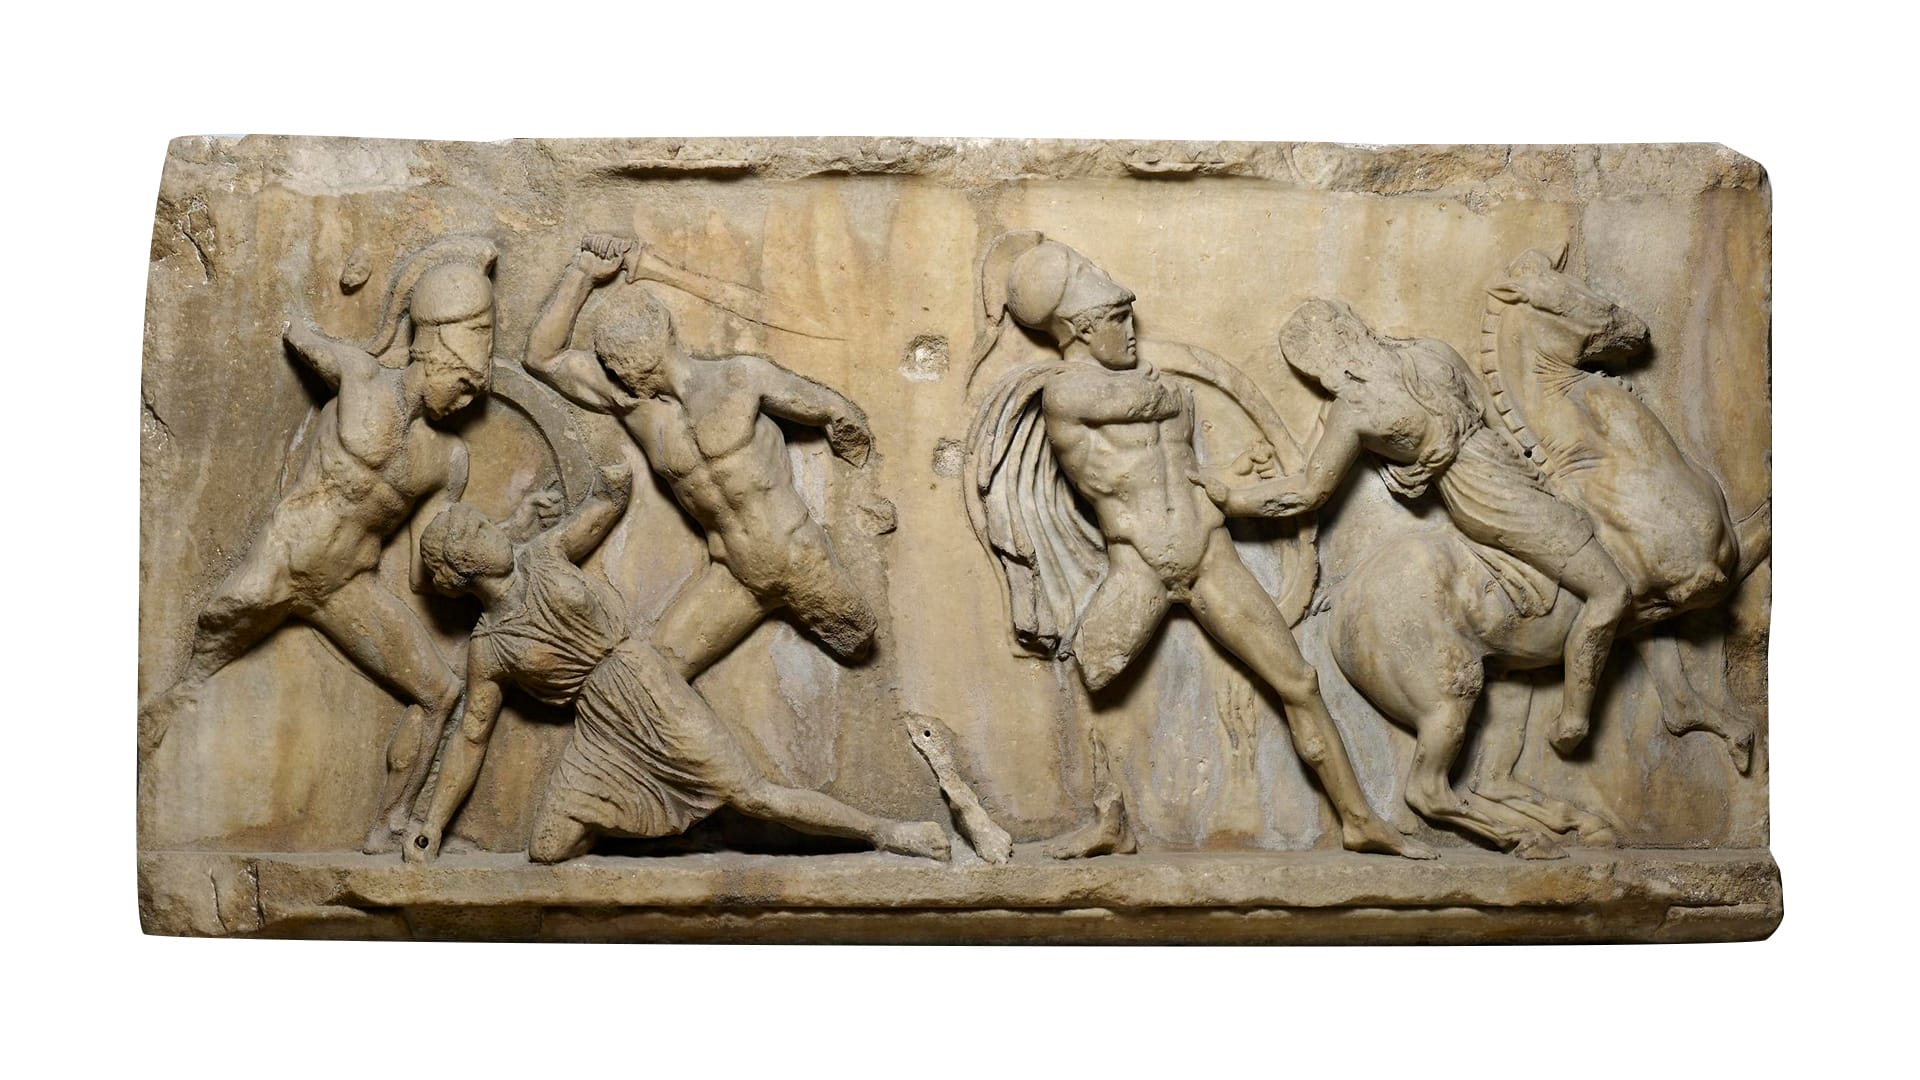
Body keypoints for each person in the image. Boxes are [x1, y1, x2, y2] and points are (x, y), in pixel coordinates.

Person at [967, 236, 1431, 859]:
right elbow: (1149, 401)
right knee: (1092, 673)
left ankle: (1358, 819)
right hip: (1140, 569)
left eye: (1130, 315)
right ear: (1079, 330)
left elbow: (1174, 466)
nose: (1131, 329)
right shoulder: (1070, 393)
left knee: (1299, 680)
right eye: (1116, 318)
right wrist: (1172, 388)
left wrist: (1231, 476)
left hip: (1210, 554)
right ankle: (1109, 819)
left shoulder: (1143, 381)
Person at [138, 245, 507, 853]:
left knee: (440, 691)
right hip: (283, 560)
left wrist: (489, 547)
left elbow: (425, 575)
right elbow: (296, 335)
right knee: (215, 631)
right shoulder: (361, 379)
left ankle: (389, 825)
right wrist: (361, 298)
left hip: (344, 586)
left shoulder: (448, 460)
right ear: (434, 349)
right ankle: (161, 720)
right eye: (465, 382)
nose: (468, 399)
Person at [405, 461, 950, 864]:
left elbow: (603, 508)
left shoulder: (545, 555)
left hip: (642, 680)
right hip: (600, 724)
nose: (495, 530)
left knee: (750, 795)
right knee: (548, 847)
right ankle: (677, 829)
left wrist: (613, 479)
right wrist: (433, 823)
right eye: (480, 532)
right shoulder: (490, 647)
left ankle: (887, 832)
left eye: (486, 523)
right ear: (463, 569)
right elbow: (471, 737)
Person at [1192, 299, 1634, 753]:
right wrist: (1234, 500)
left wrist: (1539, 469)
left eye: (1337, 338)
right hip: (1485, 496)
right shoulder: (1360, 406)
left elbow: (1493, 414)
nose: (1338, 355)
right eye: (1326, 354)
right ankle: (1574, 722)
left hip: (1509, 469)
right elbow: (1309, 490)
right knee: (1610, 591)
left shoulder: (1424, 356)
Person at [523, 234, 876, 679]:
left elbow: (834, 411)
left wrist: (866, 492)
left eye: (625, 368)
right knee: (655, 675)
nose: (623, 377)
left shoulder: (741, 380)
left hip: (802, 560)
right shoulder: (636, 408)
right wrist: (582, 274)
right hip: (736, 575)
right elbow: (542, 357)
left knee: (861, 643)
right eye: (618, 370)